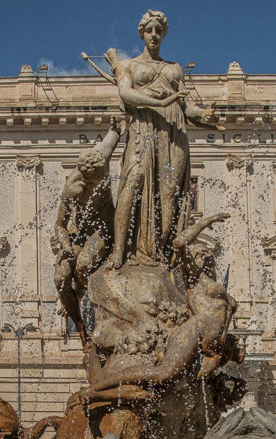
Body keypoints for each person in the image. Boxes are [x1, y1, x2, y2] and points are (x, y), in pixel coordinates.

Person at [107, 9, 222, 270]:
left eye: (159, 30)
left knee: (169, 193)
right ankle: (119, 250)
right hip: (143, 128)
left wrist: (205, 116)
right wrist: (159, 101)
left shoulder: (175, 69)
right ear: (142, 33)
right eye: (149, 30)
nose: (154, 35)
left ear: (164, 34)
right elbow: (126, 94)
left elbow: (186, 108)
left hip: (173, 133)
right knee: (132, 183)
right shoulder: (128, 65)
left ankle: (161, 255)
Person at [82, 214, 239, 402]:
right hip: (194, 332)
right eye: (202, 256)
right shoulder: (198, 280)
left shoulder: (212, 284)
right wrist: (206, 222)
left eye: (208, 257)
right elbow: (179, 243)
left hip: (212, 350)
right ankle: (97, 390)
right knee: (163, 373)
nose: (207, 260)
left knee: (178, 388)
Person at [54, 117, 123, 345]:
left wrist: (119, 125)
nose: (102, 182)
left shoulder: (101, 158)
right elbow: (59, 226)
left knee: (84, 266)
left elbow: (114, 134)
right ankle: (81, 326)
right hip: (79, 233)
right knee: (61, 277)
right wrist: (66, 248)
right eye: (96, 180)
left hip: (104, 229)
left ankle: (102, 319)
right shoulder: (73, 188)